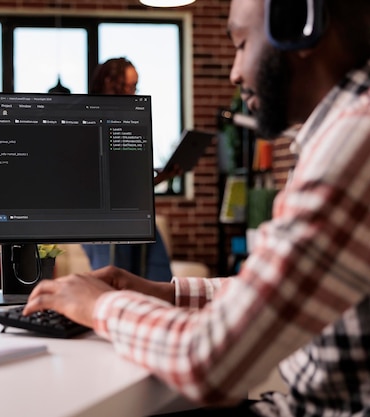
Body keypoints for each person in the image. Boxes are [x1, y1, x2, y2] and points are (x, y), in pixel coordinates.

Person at [25, 0, 370, 415]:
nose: (235, 72)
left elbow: (209, 362)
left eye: (241, 44)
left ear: (300, 25)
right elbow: (273, 292)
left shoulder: (353, 142)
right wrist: (165, 294)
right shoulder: (340, 136)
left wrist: (98, 306)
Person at [83, 57, 176, 282]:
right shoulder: (88, 118)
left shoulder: (131, 121)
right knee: (113, 280)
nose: (134, 93)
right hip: (102, 221)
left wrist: (161, 177)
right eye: (129, 87)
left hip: (136, 214)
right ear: (109, 82)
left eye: (136, 87)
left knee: (157, 275)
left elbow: (130, 181)